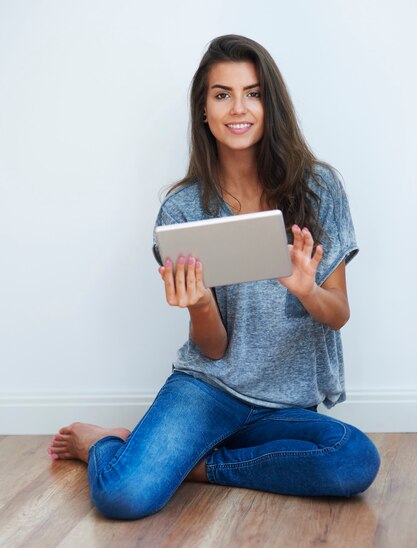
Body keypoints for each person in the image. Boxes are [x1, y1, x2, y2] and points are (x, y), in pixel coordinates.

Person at [48, 34, 380, 520]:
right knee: (122, 495)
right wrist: (200, 305)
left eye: (253, 93)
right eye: (221, 94)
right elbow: (212, 349)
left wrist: (308, 290)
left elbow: (339, 315)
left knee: (353, 460)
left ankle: (188, 464)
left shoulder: (318, 188)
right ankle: (101, 443)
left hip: (286, 407)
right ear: (204, 110)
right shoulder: (182, 209)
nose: (237, 108)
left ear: (271, 105)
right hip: (209, 392)